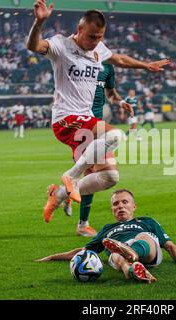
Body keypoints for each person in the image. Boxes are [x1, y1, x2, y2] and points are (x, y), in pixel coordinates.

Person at [26, 2, 170, 224]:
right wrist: (39, 22)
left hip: (87, 121)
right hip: (66, 119)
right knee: (116, 136)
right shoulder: (60, 45)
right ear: (80, 29)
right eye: (93, 36)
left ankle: (58, 196)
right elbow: (34, 45)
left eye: (100, 37)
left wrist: (146, 65)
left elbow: (120, 59)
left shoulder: (98, 49)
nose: (96, 42)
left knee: (109, 177)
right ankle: (71, 177)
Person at [36, 189, 176, 283]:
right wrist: (51, 257)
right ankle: (133, 272)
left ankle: (132, 252)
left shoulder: (146, 221)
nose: (120, 206)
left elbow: (169, 245)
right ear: (112, 210)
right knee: (114, 253)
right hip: (120, 255)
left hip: (147, 252)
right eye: (116, 204)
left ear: (134, 206)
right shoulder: (107, 229)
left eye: (125, 202)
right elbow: (83, 251)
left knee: (144, 236)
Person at [65, 62, 131, 237]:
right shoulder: (75, 62)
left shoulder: (107, 67)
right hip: (81, 129)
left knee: (109, 175)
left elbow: (110, 93)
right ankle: (83, 224)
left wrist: (121, 101)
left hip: (99, 127)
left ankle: (66, 190)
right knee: (90, 175)